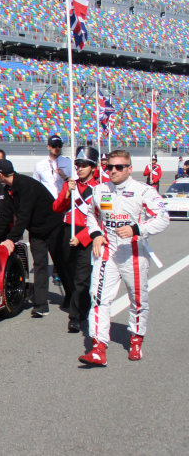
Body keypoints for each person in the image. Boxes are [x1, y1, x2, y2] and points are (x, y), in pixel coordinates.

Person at [78, 150, 170, 366]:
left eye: (119, 167)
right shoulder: (100, 190)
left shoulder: (143, 190)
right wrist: (96, 234)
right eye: (110, 167)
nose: (113, 171)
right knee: (98, 298)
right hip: (107, 252)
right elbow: (91, 215)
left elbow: (163, 218)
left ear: (129, 168)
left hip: (133, 252)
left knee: (138, 299)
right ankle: (98, 347)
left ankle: (136, 338)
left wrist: (137, 229)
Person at [0, 159, 67, 318]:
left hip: (53, 226)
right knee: (40, 265)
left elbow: (24, 215)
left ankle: (73, 298)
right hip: (36, 230)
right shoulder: (8, 189)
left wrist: (11, 239)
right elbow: (5, 216)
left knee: (61, 264)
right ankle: (41, 305)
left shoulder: (26, 185)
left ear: (1, 174)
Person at [54, 146, 99, 333]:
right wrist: (67, 193)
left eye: (84, 165)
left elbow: (100, 219)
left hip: (86, 234)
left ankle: (76, 317)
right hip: (67, 230)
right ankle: (79, 304)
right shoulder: (70, 184)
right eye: (78, 164)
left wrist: (81, 238)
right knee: (69, 273)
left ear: (93, 167)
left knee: (82, 277)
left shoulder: (100, 188)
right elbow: (57, 208)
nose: (79, 168)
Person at [33, 134, 72, 198]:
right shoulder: (39, 165)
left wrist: (65, 177)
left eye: (59, 146)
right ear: (48, 147)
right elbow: (35, 185)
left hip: (63, 200)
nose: (57, 148)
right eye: (54, 146)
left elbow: (75, 182)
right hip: (47, 202)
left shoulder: (68, 162)